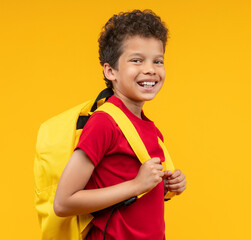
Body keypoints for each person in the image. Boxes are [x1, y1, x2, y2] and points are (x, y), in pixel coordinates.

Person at [53, 9, 187, 240]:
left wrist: (163, 187)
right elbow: (64, 202)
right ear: (110, 71)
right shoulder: (104, 122)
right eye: (136, 60)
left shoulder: (148, 128)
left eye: (158, 61)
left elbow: (131, 194)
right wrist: (137, 185)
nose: (150, 69)